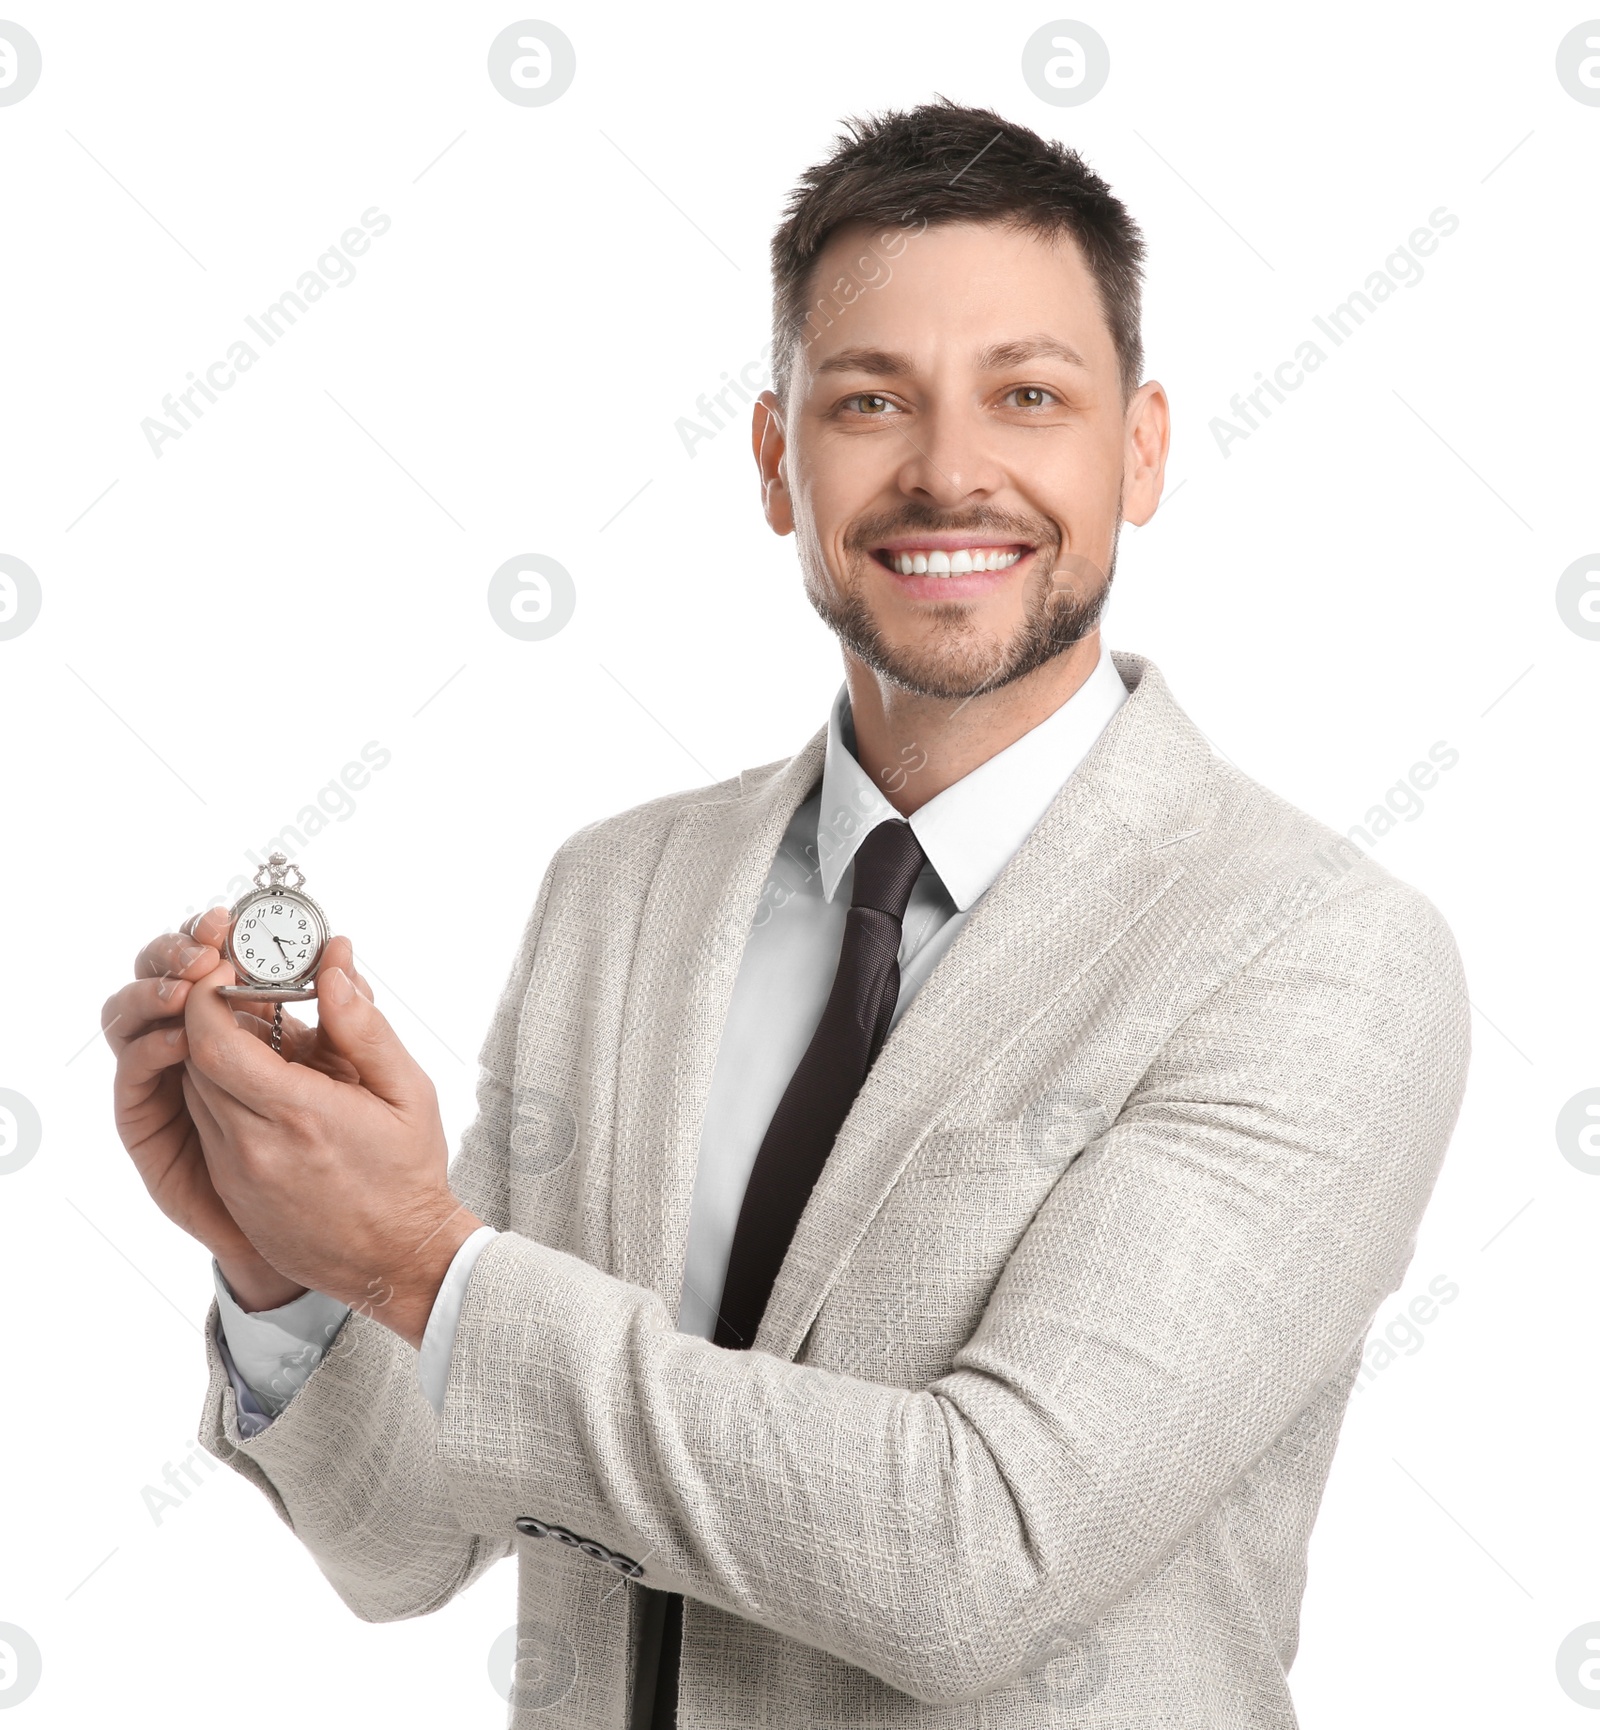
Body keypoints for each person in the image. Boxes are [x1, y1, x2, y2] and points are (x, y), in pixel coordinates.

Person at [105, 99, 1470, 1728]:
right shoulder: (618, 895)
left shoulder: (1316, 953)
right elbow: (416, 1539)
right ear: (776, 460)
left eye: (1028, 396)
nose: (950, 470)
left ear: (1143, 448)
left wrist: (423, 1260)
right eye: (871, 399)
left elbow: (977, 1559)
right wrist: (296, 1266)